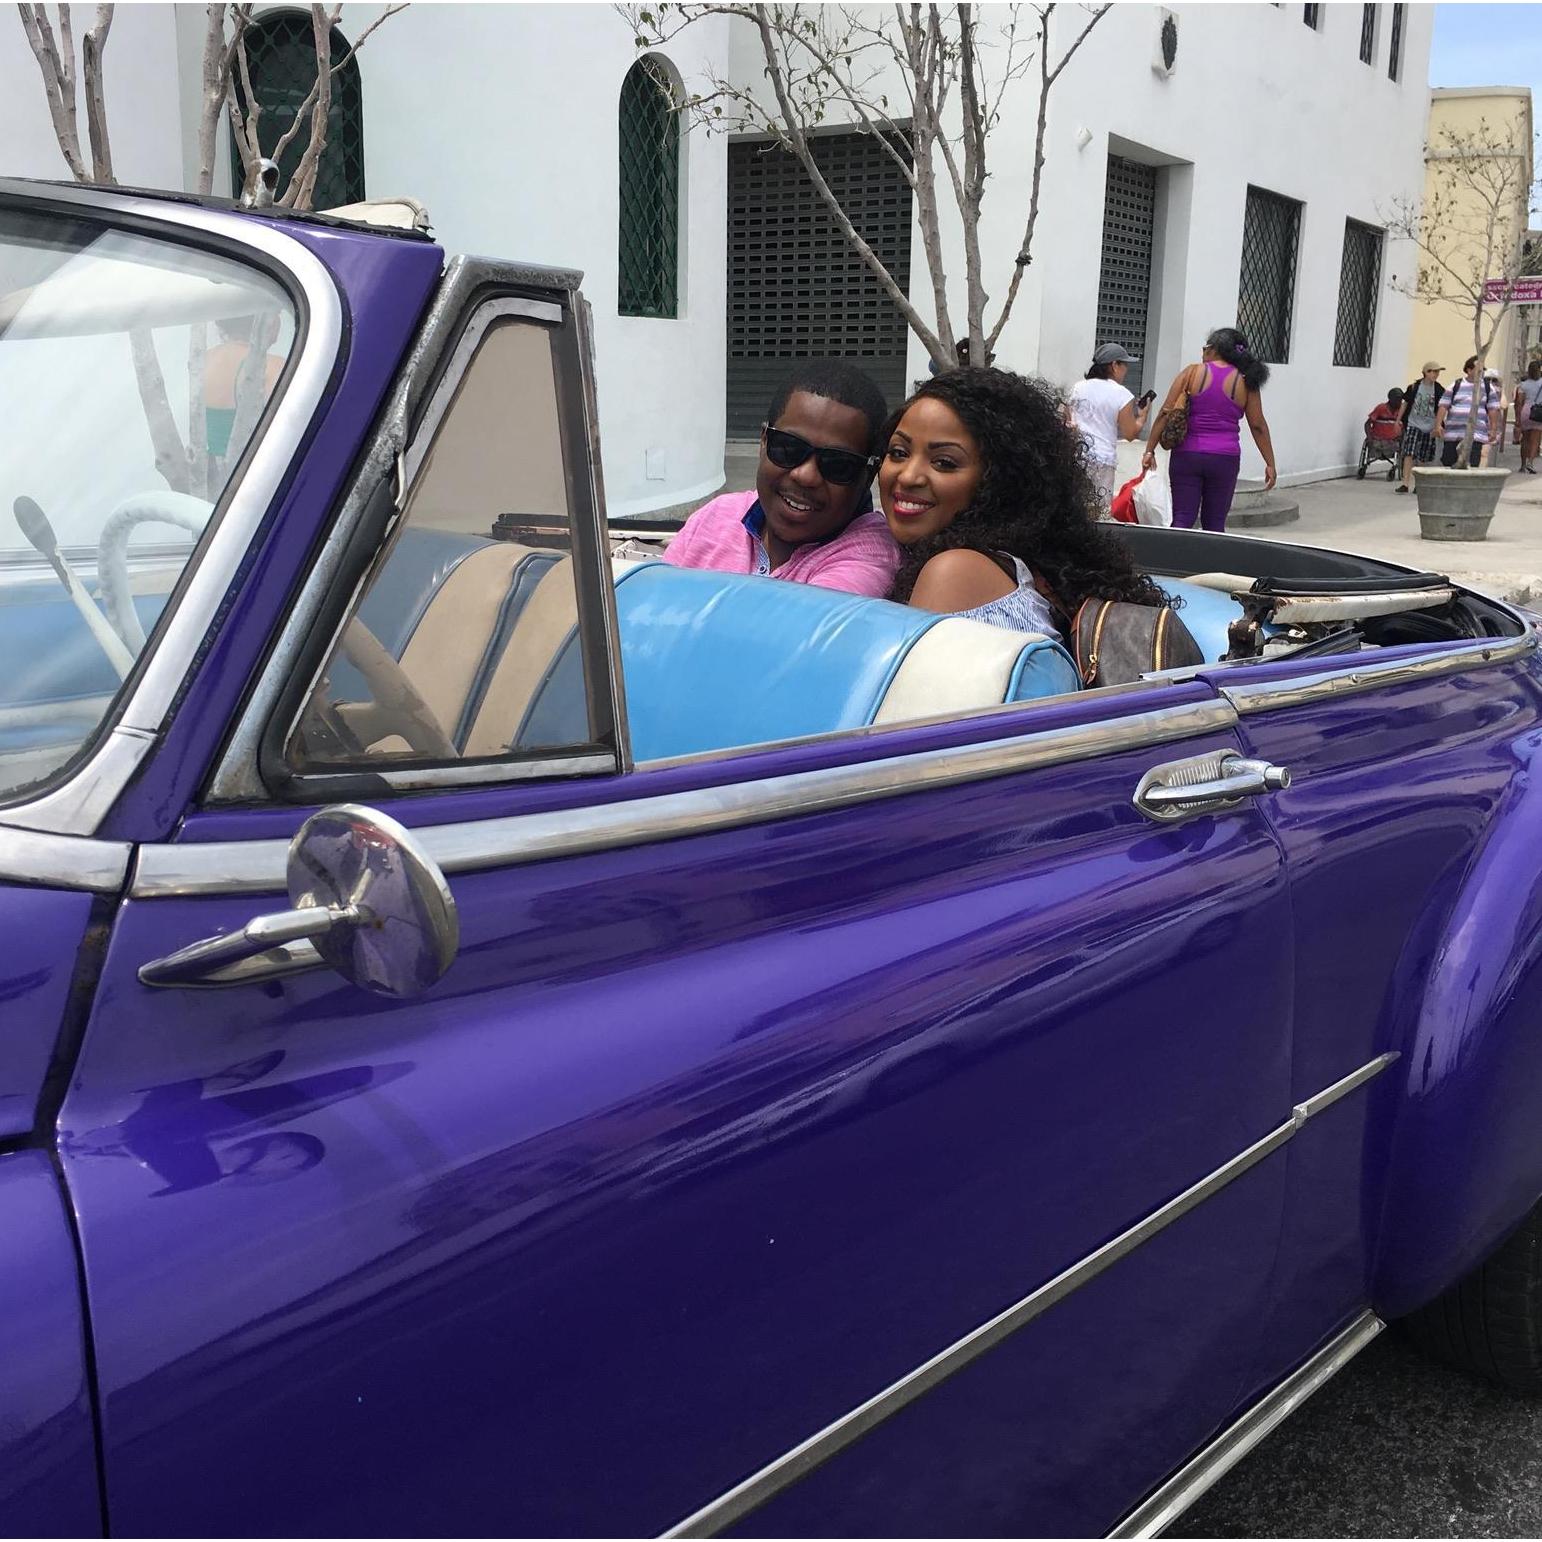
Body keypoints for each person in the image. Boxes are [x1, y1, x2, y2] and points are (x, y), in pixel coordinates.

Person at [877, 367, 1166, 638]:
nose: (909, 476)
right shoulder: (1029, 566)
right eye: (899, 453)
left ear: (1000, 480)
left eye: (944, 462)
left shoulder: (956, 572)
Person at [663, 359, 900, 597]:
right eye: (789, 448)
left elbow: (801, 627)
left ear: (868, 476)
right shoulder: (716, 517)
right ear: (764, 441)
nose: (805, 476)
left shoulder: (869, 556)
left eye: (837, 464)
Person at [1141, 327, 1277, 532]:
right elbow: (1257, 425)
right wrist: (1269, 463)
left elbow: (1165, 413)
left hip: (1187, 456)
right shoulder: (1245, 380)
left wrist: (1150, 450)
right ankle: (1210, 563)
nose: (1202, 353)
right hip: (1225, 459)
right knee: (1215, 524)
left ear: (1213, 350)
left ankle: (1174, 561)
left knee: (1182, 519)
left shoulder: (1191, 373)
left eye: (1205, 348)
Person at [1068, 343, 1151, 514]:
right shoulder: (1121, 394)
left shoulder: (1078, 387)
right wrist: (1142, 416)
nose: (1126, 370)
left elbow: (1069, 418)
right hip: (1102, 460)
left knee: (1074, 507)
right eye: (1124, 365)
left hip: (1077, 454)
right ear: (1114, 365)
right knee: (1098, 511)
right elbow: (1130, 433)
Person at [1434, 356, 1503, 468]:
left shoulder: (1487, 387)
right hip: (1454, 434)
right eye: (1478, 369)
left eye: (1482, 370)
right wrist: (1438, 425)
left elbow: (1493, 409)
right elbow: (1443, 405)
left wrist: (1493, 429)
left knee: (1472, 464)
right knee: (1449, 463)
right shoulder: (1456, 385)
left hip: (1475, 434)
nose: (1481, 372)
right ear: (1469, 370)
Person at [1395, 362, 1444, 493]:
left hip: (1429, 426)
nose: (1436, 375)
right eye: (1434, 372)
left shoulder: (1439, 389)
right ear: (1426, 372)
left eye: (1438, 372)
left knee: (1423, 455)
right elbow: (1405, 404)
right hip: (1413, 423)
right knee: (1409, 452)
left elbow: (1442, 408)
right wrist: (1398, 421)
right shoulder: (1414, 387)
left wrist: (1439, 425)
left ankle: (1419, 484)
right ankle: (1405, 483)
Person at [1514, 361, 1542, 474]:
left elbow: (1519, 402)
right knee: (1535, 440)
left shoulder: (1523, 385)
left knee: (1524, 439)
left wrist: (1518, 418)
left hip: (1526, 411)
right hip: (1538, 411)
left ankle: (1522, 465)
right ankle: (1530, 462)